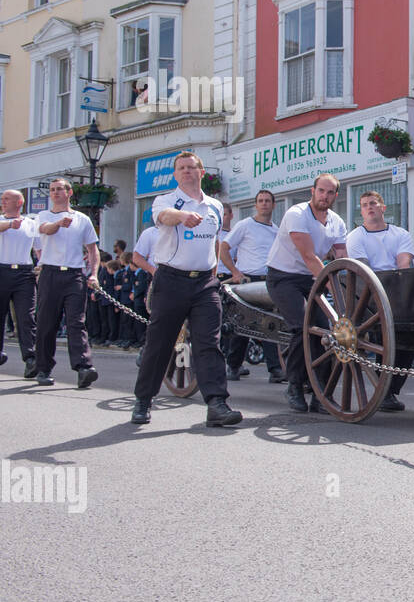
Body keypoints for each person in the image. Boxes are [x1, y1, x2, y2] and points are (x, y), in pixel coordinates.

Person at [128, 152, 241, 427]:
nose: (187, 171)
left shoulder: (214, 206)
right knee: (160, 343)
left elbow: (215, 243)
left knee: (208, 344)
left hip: (204, 282)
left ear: (201, 172)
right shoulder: (165, 201)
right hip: (171, 280)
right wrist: (181, 216)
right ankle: (143, 401)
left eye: (192, 167)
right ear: (176, 174)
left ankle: (216, 404)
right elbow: (163, 217)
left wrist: (213, 276)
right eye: (182, 168)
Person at [264, 174, 348, 413]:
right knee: (302, 327)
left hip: (313, 278)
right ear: (313, 191)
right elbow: (309, 257)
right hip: (283, 277)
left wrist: (345, 287)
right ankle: (294, 386)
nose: (325, 196)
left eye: (330, 193)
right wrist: (333, 288)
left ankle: (320, 390)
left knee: (328, 332)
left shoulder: (336, 221)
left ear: (335, 196)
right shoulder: (297, 214)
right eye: (321, 191)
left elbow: (341, 256)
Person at [344, 190, 414, 412]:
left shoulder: (400, 233)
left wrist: (400, 289)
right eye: (364, 205)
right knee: (385, 343)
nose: (369, 207)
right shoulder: (356, 236)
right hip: (368, 295)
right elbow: (363, 270)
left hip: (398, 289)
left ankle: (388, 390)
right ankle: (383, 389)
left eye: (373, 203)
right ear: (362, 211)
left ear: (383, 208)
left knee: (411, 339)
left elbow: (404, 264)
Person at [33, 178, 101, 388]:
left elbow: (92, 249)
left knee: (76, 322)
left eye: (59, 189)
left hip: (74, 275)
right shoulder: (43, 216)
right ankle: (43, 368)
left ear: (69, 193)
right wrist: (58, 223)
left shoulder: (82, 219)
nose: (55, 193)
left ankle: (83, 367)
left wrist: (94, 274)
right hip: (50, 273)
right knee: (47, 322)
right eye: (52, 190)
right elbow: (46, 230)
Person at [218, 189, 284, 383]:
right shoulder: (244, 225)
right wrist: (235, 272)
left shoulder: (276, 229)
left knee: (271, 323)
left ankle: (275, 369)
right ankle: (233, 365)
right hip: (247, 280)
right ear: (256, 205)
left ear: (273, 205)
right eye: (260, 201)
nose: (264, 204)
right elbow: (224, 248)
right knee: (243, 326)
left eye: (267, 201)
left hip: (269, 279)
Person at [0, 190, 39, 378]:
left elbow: (39, 249)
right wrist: (9, 224)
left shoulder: (31, 224)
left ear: (19, 202)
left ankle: (31, 359)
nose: (3, 202)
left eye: (7, 199)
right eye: (2, 199)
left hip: (24, 272)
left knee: (26, 317)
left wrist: (42, 266)